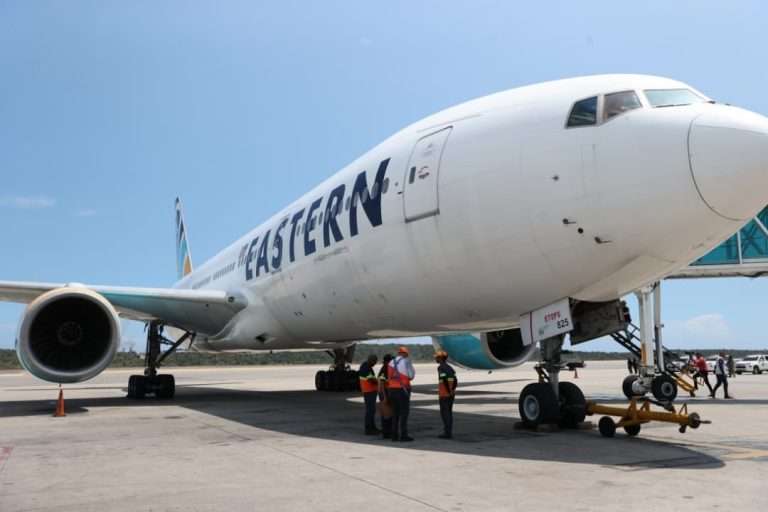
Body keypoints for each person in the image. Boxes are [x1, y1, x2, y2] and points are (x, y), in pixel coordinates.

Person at [387, 346, 415, 442]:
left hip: (392, 390)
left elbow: (389, 377)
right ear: (405, 354)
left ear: (399, 353)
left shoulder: (391, 362)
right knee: (404, 414)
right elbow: (411, 376)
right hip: (403, 390)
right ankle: (403, 435)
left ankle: (394, 436)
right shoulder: (406, 361)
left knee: (395, 414)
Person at [435, 351, 457, 439]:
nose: (435, 359)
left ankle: (447, 433)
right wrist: (452, 390)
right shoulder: (450, 368)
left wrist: (448, 391)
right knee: (449, 413)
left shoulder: (441, 367)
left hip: (444, 394)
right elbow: (455, 379)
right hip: (451, 394)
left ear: (440, 358)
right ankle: (449, 432)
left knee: (445, 414)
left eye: (437, 357)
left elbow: (444, 379)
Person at [358, 354, 380, 435]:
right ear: (372, 361)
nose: (375, 364)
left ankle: (372, 427)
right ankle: (369, 429)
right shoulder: (366, 367)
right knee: (370, 411)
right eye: (374, 362)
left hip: (369, 391)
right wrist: (379, 382)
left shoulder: (366, 366)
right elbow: (371, 379)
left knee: (371, 410)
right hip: (369, 391)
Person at [377, 354, 394, 439]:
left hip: (385, 393)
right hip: (384, 394)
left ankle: (387, 432)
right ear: (388, 361)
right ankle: (387, 433)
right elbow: (382, 384)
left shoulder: (385, 369)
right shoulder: (384, 370)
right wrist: (385, 397)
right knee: (387, 415)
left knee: (387, 415)